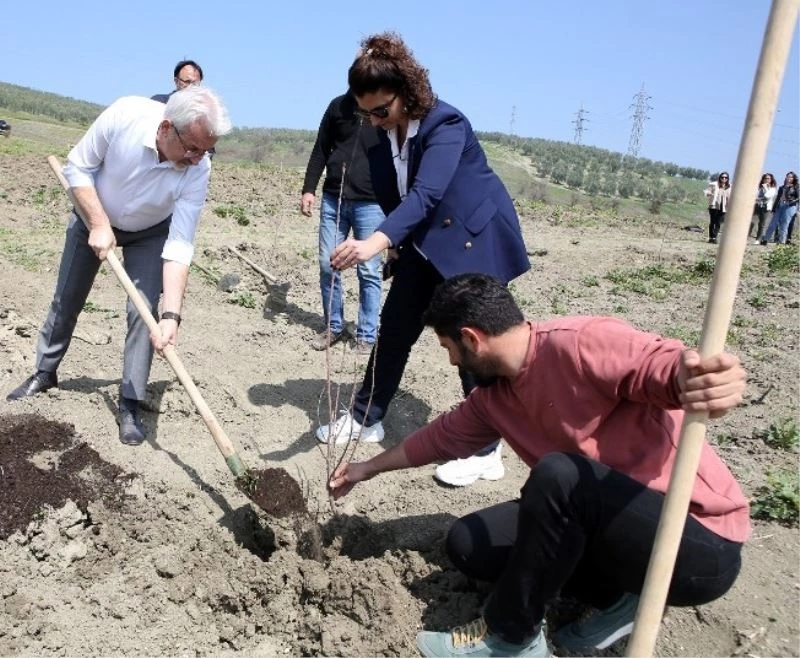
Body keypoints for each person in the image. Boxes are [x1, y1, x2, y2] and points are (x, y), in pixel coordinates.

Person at [329, 273, 749, 658]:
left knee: (560, 476)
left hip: (694, 545)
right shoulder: (495, 399)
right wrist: (366, 468)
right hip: (614, 535)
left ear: (472, 339)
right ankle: (622, 599)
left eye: (448, 349)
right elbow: (438, 439)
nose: (452, 363)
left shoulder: (579, 343)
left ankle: (511, 638)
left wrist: (697, 377)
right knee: (469, 543)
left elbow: (658, 363)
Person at [315, 32, 530, 487]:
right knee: (394, 329)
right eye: (365, 111)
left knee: (474, 344)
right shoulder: (377, 136)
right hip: (421, 242)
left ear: (407, 93)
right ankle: (365, 417)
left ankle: (487, 449)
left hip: (472, 241)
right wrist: (395, 243)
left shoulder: (446, 125)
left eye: (381, 110)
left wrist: (374, 242)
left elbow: (428, 193)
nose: (372, 120)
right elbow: (397, 198)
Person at [6, 87, 232, 447]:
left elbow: (180, 243)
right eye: (191, 148)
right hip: (92, 214)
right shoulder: (124, 115)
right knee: (68, 297)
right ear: (165, 128)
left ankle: (130, 402)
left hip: (151, 231)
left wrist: (172, 315)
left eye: (206, 150)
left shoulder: (198, 167)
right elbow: (78, 166)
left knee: (145, 313)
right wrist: (98, 223)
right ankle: (44, 372)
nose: (196, 159)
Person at [300, 92, 385, 355]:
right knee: (329, 265)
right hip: (332, 198)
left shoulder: (385, 110)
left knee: (369, 270)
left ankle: (367, 333)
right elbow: (321, 147)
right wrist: (309, 188)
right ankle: (333, 326)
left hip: (371, 202)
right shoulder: (338, 106)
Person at [760, 171, 798, 245]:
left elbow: (798, 197)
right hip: (780, 206)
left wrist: (791, 201)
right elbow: (778, 198)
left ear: (793, 178)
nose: (789, 178)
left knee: (784, 224)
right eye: (788, 176)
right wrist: (774, 208)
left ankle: (782, 241)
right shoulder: (782, 187)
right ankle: (765, 239)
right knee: (773, 223)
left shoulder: (796, 186)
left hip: (790, 206)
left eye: (791, 177)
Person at [704, 172, 731, 244]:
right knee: (713, 222)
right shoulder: (714, 184)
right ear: (720, 177)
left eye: (726, 177)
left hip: (723, 207)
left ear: (728, 179)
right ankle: (711, 237)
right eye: (722, 177)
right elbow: (707, 191)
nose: (724, 179)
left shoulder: (729, 187)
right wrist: (709, 193)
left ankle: (714, 237)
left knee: (718, 223)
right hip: (714, 206)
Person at [750, 173, 777, 243]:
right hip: (757, 205)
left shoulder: (773, 188)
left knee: (762, 224)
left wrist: (765, 187)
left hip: (766, 207)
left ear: (771, 180)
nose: (766, 180)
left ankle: (758, 239)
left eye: (768, 178)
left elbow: (767, 196)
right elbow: (754, 195)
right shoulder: (759, 187)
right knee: (750, 220)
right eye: (765, 178)